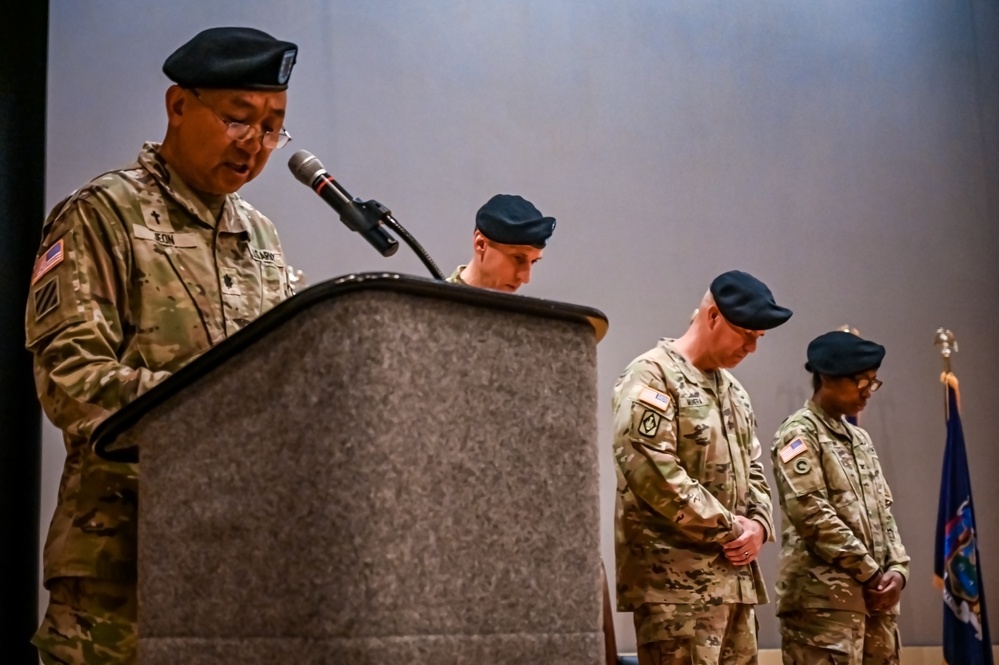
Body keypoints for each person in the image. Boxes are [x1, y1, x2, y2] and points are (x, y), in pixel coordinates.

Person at [25, 27, 299, 664]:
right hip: (121, 576)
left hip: (237, 569)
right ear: (179, 106)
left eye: (273, 126)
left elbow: (294, 374)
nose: (256, 144)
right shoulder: (101, 213)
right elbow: (70, 381)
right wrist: (211, 406)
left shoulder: (261, 237)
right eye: (239, 119)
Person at [612, 270, 793, 665]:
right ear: (712, 316)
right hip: (676, 591)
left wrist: (760, 526)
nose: (752, 348)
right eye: (746, 334)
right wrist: (731, 527)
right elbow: (651, 470)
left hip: (734, 585)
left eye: (758, 338)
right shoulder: (653, 375)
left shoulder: (734, 392)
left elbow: (755, 468)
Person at [771, 331, 909, 664]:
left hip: (875, 604)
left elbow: (884, 513)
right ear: (827, 377)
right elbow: (813, 515)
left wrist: (898, 571)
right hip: (824, 608)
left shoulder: (859, 438)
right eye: (861, 382)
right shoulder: (799, 434)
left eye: (873, 383)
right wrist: (872, 574)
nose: (868, 393)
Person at [445, 193, 554, 292]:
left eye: (533, 261)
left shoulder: (519, 313)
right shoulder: (434, 306)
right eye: (518, 258)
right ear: (481, 244)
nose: (525, 278)